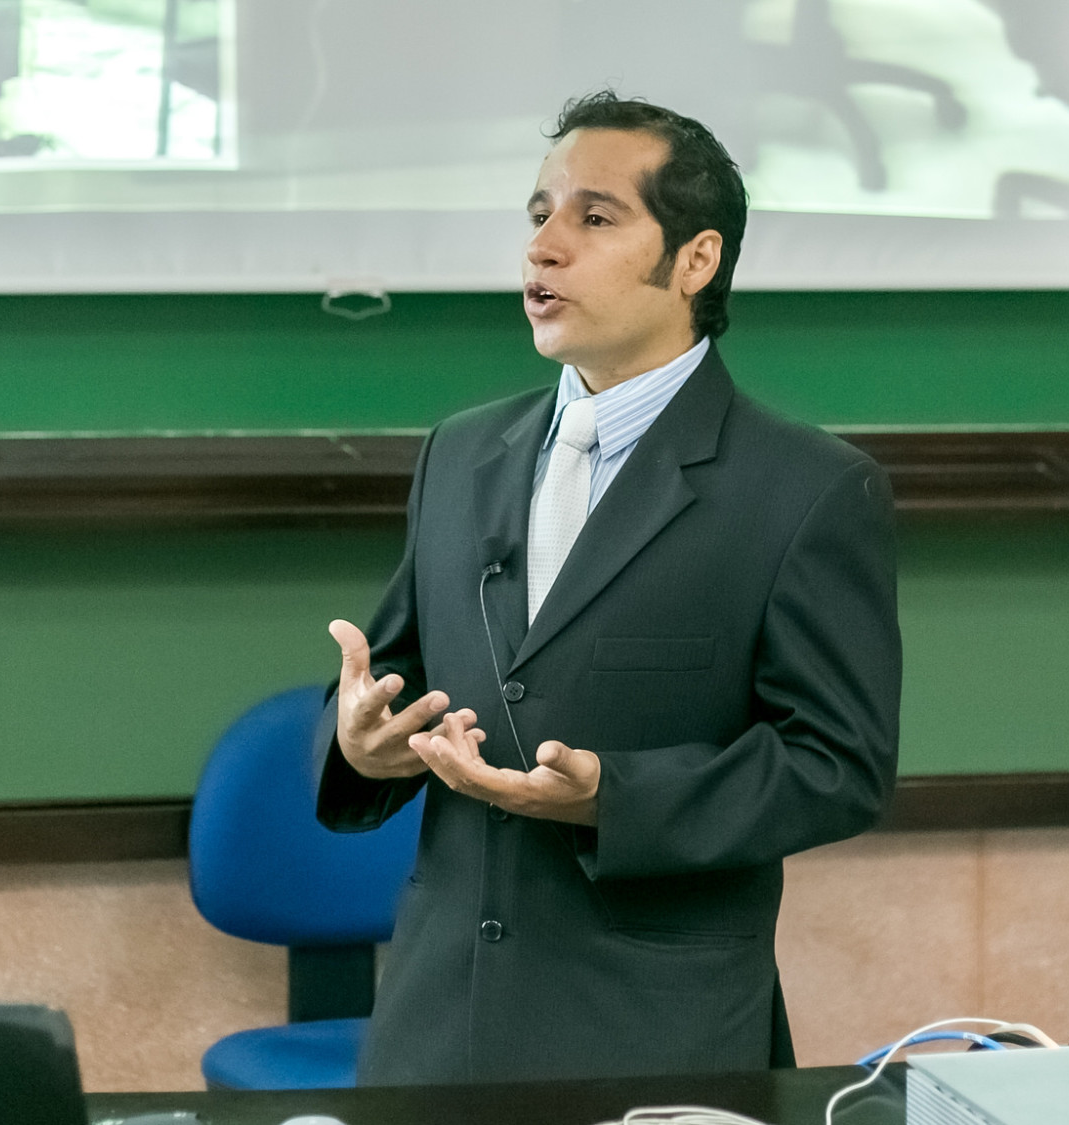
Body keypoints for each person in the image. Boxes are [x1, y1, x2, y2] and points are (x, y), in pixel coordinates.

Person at [314, 90, 902, 1085]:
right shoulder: (460, 453)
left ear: (695, 259)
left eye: (594, 217)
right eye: (539, 213)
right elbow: (400, 674)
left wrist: (612, 799)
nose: (543, 248)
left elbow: (837, 765)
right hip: (436, 1024)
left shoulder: (804, 489)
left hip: (653, 1029)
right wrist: (360, 744)